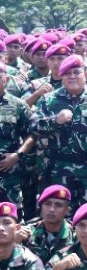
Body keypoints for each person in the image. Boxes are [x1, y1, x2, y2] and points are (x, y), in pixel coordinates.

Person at [31, 55, 87, 208]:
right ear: (61, 76)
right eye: (67, 73)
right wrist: (55, 121)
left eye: (76, 72)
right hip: (59, 169)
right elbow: (33, 127)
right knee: (60, 213)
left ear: (86, 74)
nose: (72, 76)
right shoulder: (48, 100)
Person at [0, 62, 34, 218]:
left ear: (6, 79)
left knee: (11, 215)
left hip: (8, 170)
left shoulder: (18, 105)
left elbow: (32, 135)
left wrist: (17, 155)